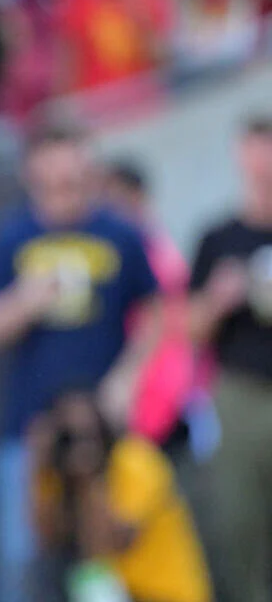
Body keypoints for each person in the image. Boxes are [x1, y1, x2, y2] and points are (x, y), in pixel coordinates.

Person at [0, 122, 162, 602]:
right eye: (50, 171)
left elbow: (159, 311)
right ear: (32, 171)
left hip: (106, 434)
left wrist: (128, 377)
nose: (62, 183)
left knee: (111, 560)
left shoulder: (120, 232)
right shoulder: (8, 236)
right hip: (27, 426)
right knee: (20, 562)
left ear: (88, 166)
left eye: (71, 170)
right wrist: (25, 301)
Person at [187, 115, 272, 602]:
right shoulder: (219, 238)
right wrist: (220, 298)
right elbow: (191, 328)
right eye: (254, 151)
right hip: (240, 394)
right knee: (240, 521)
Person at [30, 389, 211, 602]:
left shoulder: (135, 461)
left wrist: (89, 482)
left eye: (89, 435)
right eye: (69, 437)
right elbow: (48, 538)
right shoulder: (55, 470)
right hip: (115, 590)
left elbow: (114, 543)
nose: (80, 446)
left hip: (161, 593)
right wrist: (38, 466)